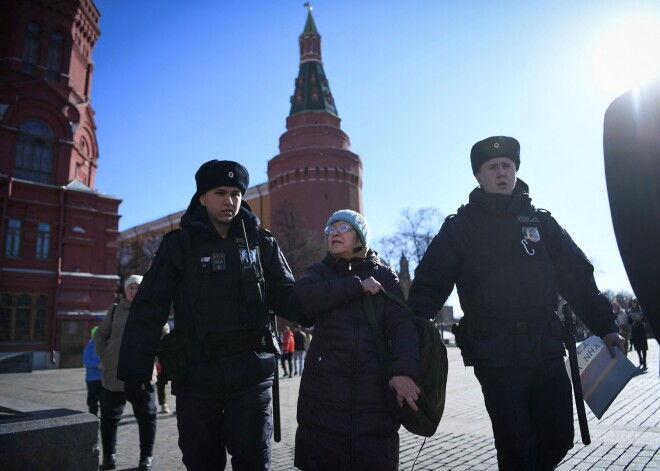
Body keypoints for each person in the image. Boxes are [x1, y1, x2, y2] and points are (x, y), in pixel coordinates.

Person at [407, 136, 624, 471]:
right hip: (495, 352)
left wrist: (607, 327)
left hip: (546, 347)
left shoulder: (541, 223)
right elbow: (429, 286)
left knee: (559, 437)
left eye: (507, 165)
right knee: (515, 444)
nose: (501, 172)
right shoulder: (461, 227)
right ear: (478, 176)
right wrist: (410, 345)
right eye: (492, 167)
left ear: (516, 171)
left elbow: (579, 280)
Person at [116, 160, 299, 471]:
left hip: (251, 379)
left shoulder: (261, 242)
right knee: (202, 463)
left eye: (235, 193)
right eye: (219, 193)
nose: (229, 201)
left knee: (255, 462)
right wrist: (134, 369)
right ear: (202, 197)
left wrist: (336, 292)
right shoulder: (179, 245)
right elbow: (150, 306)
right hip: (196, 379)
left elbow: (290, 297)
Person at [293, 209, 420, 471]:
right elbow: (301, 299)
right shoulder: (319, 272)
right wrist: (357, 285)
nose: (335, 233)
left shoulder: (385, 276)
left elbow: (403, 326)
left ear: (360, 237)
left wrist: (404, 371)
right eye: (331, 229)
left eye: (344, 228)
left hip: (374, 395)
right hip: (323, 396)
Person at [95, 275, 165, 471]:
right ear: (125, 291)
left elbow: (164, 336)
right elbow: (100, 335)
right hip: (114, 373)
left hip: (142, 374)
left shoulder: (152, 309)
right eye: (131, 287)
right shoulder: (115, 310)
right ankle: (109, 457)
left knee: (147, 416)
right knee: (109, 417)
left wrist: (156, 359)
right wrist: (105, 356)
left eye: (138, 287)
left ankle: (146, 457)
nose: (134, 291)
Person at [82, 325, 102, 416]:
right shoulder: (88, 348)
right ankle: (93, 417)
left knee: (104, 400)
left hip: (103, 379)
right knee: (92, 400)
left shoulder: (104, 346)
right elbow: (87, 361)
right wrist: (97, 365)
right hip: (92, 379)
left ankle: (104, 418)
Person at [629, 299, 648, 369]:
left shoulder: (641, 310)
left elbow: (645, 320)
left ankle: (645, 360)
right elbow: (629, 321)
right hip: (635, 331)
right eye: (632, 303)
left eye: (634, 303)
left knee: (644, 347)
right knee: (637, 347)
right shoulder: (629, 312)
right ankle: (640, 358)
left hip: (641, 330)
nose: (633, 304)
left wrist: (640, 319)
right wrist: (634, 319)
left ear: (636, 303)